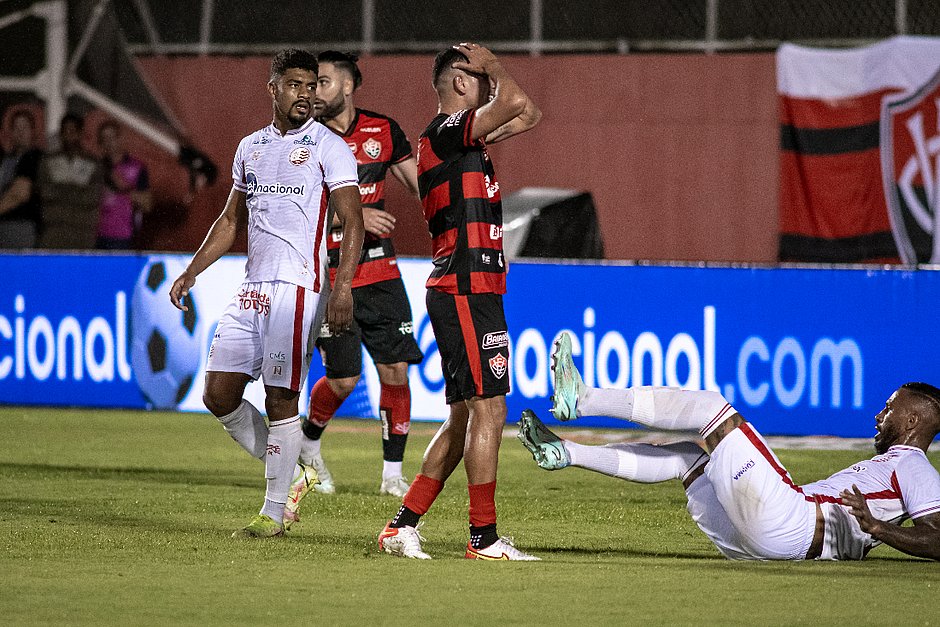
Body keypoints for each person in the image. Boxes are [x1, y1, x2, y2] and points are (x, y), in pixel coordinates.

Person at [517, 332, 940, 561]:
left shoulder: (915, 466)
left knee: (713, 409)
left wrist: (881, 529)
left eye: (889, 409)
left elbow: (938, 540)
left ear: (915, 420)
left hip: (790, 525)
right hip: (763, 545)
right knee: (688, 459)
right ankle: (567, 451)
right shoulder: (893, 467)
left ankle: (584, 398)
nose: (878, 416)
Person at [168, 48, 364, 538]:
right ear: (273, 88)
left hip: (299, 287)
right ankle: (295, 468)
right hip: (252, 287)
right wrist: (191, 271)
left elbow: (354, 220)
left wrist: (343, 287)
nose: (307, 94)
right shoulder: (249, 147)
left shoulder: (328, 146)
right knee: (218, 393)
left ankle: (273, 514)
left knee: (281, 397)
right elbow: (231, 219)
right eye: (296, 84)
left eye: (313, 85)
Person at [377, 42, 542, 561]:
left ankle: (401, 526)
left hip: (472, 288)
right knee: (490, 410)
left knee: (464, 418)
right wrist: (493, 68)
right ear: (463, 83)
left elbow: (529, 112)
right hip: (466, 287)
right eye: (479, 78)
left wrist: (494, 78)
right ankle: (483, 538)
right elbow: (515, 103)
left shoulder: (464, 141)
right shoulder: (445, 133)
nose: (488, 85)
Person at [285, 50, 424, 512]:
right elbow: (297, 211)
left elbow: (421, 186)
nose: (313, 92)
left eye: (322, 83)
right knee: (343, 381)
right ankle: (308, 444)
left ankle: (392, 476)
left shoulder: (383, 131)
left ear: (347, 86)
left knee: (395, 372)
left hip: (382, 275)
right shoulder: (304, 139)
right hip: (328, 275)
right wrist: (358, 216)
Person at [36, 113, 101, 249]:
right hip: (54, 230)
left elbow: (93, 195)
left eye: (73, 131)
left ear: (80, 133)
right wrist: (76, 189)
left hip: (83, 231)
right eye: (65, 131)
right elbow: (44, 191)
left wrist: (62, 189)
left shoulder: (92, 163)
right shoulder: (48, 161)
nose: (69, 135)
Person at [95, 120, 152, 250]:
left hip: (124, 235)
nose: (109, 142)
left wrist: (124, 187)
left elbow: (147, 204)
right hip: (97, 236)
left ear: (120, 138)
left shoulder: (136, 167)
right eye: (104, 139)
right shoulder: (97, 167)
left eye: (112, 137)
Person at [0, 109, 43, 248]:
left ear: (33, 131)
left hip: (22, 226)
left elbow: (20, 194)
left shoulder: (35, 157)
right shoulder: (6, 159)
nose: (20, 132)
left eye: (25, 127)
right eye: (16, 128)